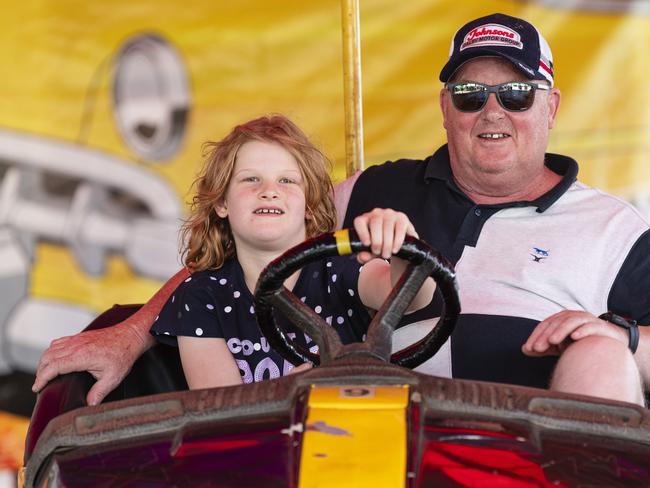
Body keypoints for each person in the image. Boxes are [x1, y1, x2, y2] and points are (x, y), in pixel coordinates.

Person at [34, 13, 648, 405]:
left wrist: (619, 336)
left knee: (602, 356)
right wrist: (130, 332)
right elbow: (244, 255)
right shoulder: (376, 188)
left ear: (551, 106)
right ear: (444, 106)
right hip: (368, 429)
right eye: (469, 94)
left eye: (515, 94)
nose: (492, 111)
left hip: (528, 453)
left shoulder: (617, 229)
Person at [39, 114, 433, 392]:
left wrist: (399, 244)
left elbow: (415, 294)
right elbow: (219, 408)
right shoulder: (201, 297)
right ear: (222, 203)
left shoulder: (339, 272)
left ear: (310, 205)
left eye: (287, 181)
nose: (269, 190)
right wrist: (283, 395)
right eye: (250, 180)